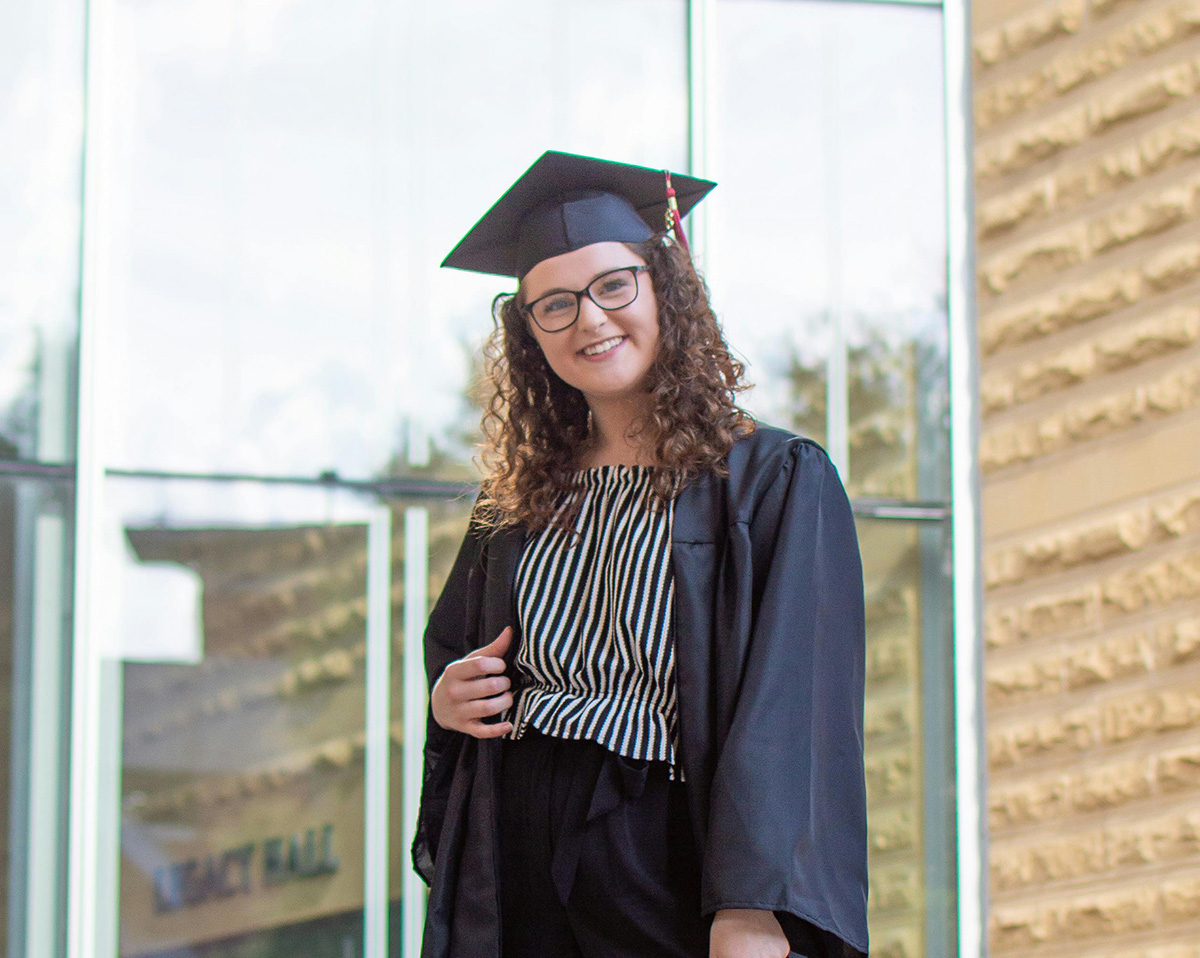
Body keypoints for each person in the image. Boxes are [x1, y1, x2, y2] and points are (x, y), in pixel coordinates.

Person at [412, 151, 868, 958]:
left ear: (666, 289)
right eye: (554, 304)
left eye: (613, 286)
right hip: (516, 836)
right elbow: (459, 652)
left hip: (662, 838)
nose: (589, 320)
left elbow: (791, 709)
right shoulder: (516, 498)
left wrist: (753, 905)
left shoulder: (770, 481)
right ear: (529, 333)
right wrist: (452, 700)